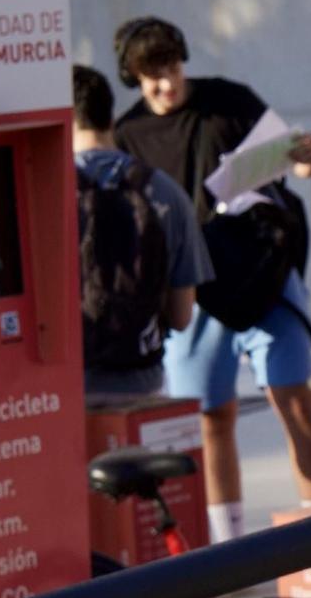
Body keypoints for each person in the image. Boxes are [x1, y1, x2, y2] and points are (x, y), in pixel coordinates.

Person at [111, 17, 311, 540]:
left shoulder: (230, 100)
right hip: (193, 291)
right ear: (134, 78)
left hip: (263, 274)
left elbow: (297, 164)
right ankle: (229, 546)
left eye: (171, 67)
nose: (167, 83)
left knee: (293, 398)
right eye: (151, 76)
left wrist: (309, 159)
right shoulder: (128, 134)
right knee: (211, 418)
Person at [71, 65, 213, 397]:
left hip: (70, 389)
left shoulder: (48, 194)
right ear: (111, 118)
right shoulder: (165, 191)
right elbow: (181, 317)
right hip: (142, 382)